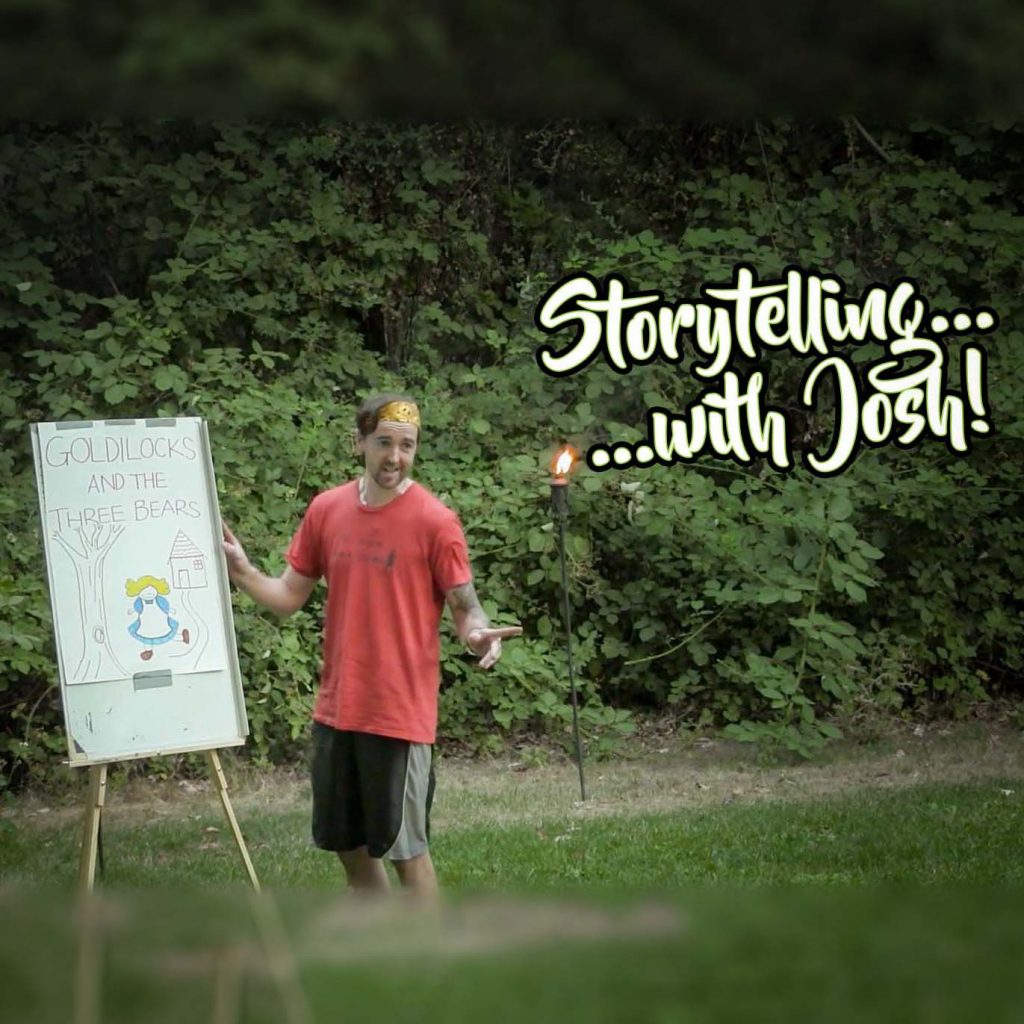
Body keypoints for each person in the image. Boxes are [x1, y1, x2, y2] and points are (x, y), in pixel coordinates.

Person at [221, 394, 522, 900]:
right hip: (337, 710)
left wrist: (476, 636)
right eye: (384, 442)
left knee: (408, 852)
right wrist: (243, 571)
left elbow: (466, 607)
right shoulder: (326, 509)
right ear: (359, 442)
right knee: (350, 850)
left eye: (407, 446)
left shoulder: (435, 522)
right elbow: (289, 596)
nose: (395, 457)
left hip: (398, 715)